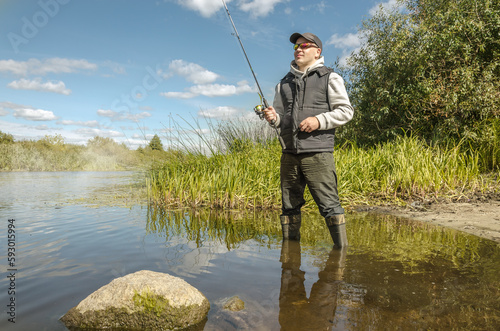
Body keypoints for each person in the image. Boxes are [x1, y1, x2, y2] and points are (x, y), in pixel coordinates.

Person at [263, 32, 354, 247]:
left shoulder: (330, 77)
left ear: (317, 52)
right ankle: (290, 264)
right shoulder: (282, 84)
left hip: (318, 153)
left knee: (330, 206)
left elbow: (346, 111)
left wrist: (318, 120)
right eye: (296, 47)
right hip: (289, 154)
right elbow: (279, 118)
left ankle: (340, 258)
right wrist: (273, 118)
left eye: (304, 45)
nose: (299, 49)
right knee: (289, 208)